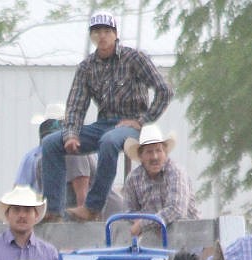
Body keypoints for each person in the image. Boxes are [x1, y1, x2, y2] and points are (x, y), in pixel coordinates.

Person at [42, 12, 172, 223]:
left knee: (109, 141)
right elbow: (76, 106)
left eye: (106, 31)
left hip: (131, 123)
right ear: (91, 37)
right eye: (96, 32)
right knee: (50, 142)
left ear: (115, 34)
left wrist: (142, 120)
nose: (101, 36)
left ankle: (93, 207)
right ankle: (53, 210)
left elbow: (164, 90)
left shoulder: (134, 58)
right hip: (103, 124)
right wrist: (72, 135)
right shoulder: (86, 67)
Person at [14, 103, 97, 220]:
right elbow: (42, 197)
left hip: (99, 219)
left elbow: (82, 200)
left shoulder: (73, 152)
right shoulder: (40, 161)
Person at [121, 123, 199, 244]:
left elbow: (176, 209)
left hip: (186, 240)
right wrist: (136, 220)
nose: (155, 157)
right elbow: (129, 212)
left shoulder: (176, 172)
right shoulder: (133, 178)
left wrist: (143, 223)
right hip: (151, 244)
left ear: (165, 153)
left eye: (159, 150)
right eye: (149, 152)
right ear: (141, 156)